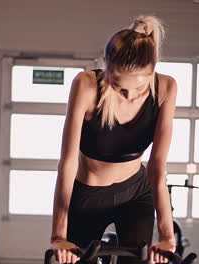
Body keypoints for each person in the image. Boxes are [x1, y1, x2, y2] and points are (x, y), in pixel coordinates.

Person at [50, 15, 178, 264]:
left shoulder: (166, 87)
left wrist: (167, 237)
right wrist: (58, 235)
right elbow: (67, 164)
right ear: (107, 69)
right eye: (120, 88)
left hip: (136, 192)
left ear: (152, 72)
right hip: (88, 197)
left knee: (138, 260)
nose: (130, 95)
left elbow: (157, 167)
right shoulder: (86, 85)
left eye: (140, 89)